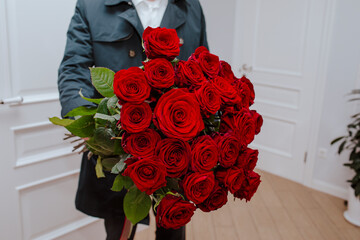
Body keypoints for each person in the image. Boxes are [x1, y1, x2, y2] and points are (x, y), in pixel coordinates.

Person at [57, 0, 208, 239]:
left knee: (174, 227)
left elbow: (202, 69)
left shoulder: (191, 7)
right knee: (119, 229)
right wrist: (84, 122)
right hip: (116, 146)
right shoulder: (91, 5)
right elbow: (74, 68)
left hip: (179, 149)